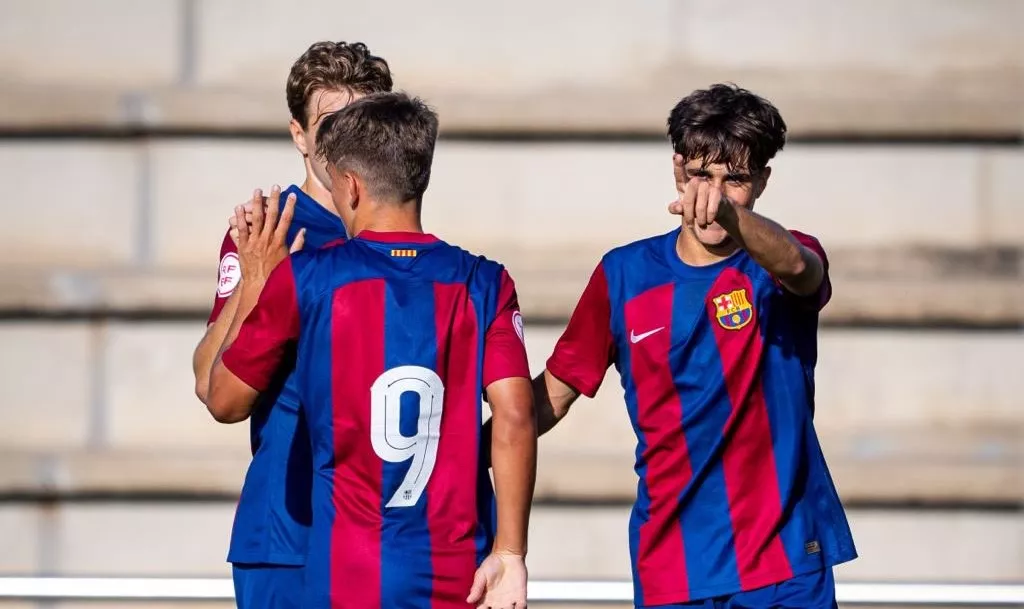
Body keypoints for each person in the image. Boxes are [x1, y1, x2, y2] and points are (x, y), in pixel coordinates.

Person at [522, 84, 857, 608]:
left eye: (736, 180)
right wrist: (469, 450)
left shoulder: (779, 261)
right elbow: (554, 396)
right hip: (673, 565)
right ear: (679, 171)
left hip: (784, 561)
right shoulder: (624, 274)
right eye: (703, 176)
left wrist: (731, 217)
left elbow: (800, 268)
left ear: (762, 182)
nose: (714, 194)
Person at [206, 92, 537, 609]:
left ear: (351, 186)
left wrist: (254, 283)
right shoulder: (484, 281)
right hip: (460, 573)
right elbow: (516, 417)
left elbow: (224, 400)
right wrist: (511, 552)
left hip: (348, 573)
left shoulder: (310, 277)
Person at [192, 41, 393, 609]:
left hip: (387, 530)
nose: (347, 141)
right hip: (289, 534)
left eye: (363, 121)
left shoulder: (398, 237)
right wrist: (258, 279)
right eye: (330, 124)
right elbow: (210, 381)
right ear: (299, 135)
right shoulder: (271, 231)